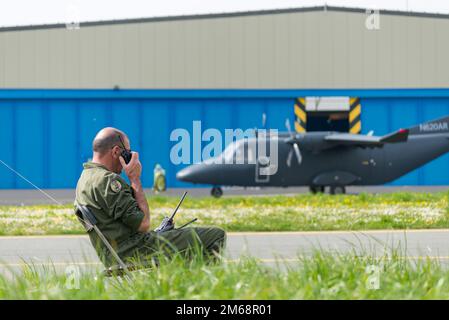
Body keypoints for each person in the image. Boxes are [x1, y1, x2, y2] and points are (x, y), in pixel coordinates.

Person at [74, 127, 226, 268]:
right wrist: (134, 178)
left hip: (115, 254)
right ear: (116, 152)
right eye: (127, 153)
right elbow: (143, 224)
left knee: (183, 239)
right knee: (216, 235)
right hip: (135, 251)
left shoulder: (85, 179)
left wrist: (159, 232)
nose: (129, 157)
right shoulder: (108, 181)